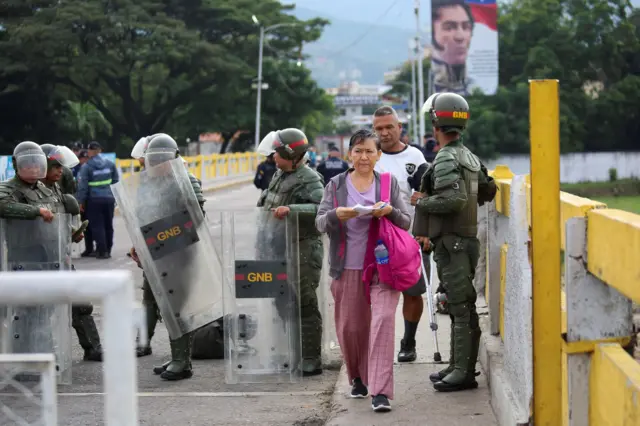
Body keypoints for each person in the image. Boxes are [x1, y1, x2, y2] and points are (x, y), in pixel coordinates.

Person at [316, 129, 411, 412]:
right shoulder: (336, 185)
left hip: (384, 267)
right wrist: (337, 215)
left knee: (382, 322)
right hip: (348, 267)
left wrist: (389, 211)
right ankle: (357, 377)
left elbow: (405, 221)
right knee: (351, 328)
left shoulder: (388, 182)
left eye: (370, 151)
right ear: (350, 154)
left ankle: (380, 391)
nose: (364, 156)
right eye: (358, 151)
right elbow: (320, 222)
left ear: (379, 155)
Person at [411, 92, 496, 392]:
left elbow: (454, 198)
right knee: (459, 304)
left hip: (454, 242)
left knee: (460, 306)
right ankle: (457, 364)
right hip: (464, 240)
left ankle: (463, 371)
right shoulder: (467, 155)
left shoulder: (447, 157)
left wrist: (422, 202)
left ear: (436, 123)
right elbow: (489, 190)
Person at [127, 134, 206, 380]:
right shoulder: (149, 183)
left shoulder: (186, 181)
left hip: (179, 252)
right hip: (156, 253)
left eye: (159, 160)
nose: (154, 165)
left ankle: (183, 362)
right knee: (156, 301)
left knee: (177, 307)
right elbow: (144, 216)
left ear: (171, 159)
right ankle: (174, 356)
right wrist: (138, 244)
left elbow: (196, 217)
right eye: (153, 160)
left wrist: (161, 236)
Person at [256, 127, 325, 377]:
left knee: (304, 302)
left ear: (291, 154)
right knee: (282, 300)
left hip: (303, 247)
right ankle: (292, 350)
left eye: (278, 152)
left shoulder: (309, 178)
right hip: (278, 247)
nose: (274, 157)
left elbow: (322, 208)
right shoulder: (279, 175)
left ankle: (310, 358)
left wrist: (292, 209)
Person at [371, 106, 430, 364]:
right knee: (378, 292)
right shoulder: (370, 156)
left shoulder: (416, 157)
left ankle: (408, 341)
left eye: (389, 127)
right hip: (378, 237)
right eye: (379, 128)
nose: (384, 132)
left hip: (410, 237)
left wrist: (425, 230)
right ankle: (378, 343)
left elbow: (428, 196)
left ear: (399, 128)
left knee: (413, 291)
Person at [40, 144, 103, 362]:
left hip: (60, 254)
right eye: (54, 166)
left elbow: (60, 221)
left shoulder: (57, 188)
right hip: (37, 260)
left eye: (60, 167)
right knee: (41, 310)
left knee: (80, 303)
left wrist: (72, 234)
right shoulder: (28, 192)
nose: (60, 171)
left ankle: (93, 347)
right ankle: (40, 354)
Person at [76, 141, 119, 259]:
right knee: (108, 225)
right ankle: (108, 249)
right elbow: (116, 181)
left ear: (90, 152)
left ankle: (102, 251)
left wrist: (81, 202)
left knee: (97, 226)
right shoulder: (110, 164)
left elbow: (83, 187)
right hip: (109, 199)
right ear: (100, 150)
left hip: (94, 200)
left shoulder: (86, 167)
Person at [430, 0, 479, 96]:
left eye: (466, 27)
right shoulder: (426, 81)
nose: (460, 37)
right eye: (449, 28)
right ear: (432, 33)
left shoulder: (475, 85)